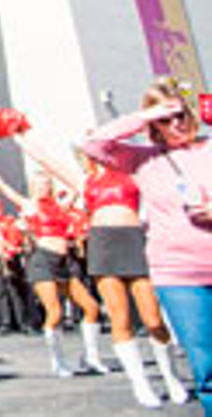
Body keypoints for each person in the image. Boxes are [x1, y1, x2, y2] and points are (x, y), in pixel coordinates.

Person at [16, 125, 190, 406]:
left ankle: (172, 378)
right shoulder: (85, 181)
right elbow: (46, 160)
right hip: (103, 246)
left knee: (153, 318)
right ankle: (140, 384)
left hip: (133, 241)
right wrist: (17, 133)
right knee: (120, 318)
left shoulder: (134, 173)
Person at [83, 78, 212, 413]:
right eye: (166, 120)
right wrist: (146, 115)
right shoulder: (142, 159)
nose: (177, 123)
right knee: (206, 366)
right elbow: (96, 144)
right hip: (179, 274)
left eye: (181, 115)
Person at [0, 166, 106, 377]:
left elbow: (77, 184)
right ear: (32, 188)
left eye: (47, 184)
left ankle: (91, 357)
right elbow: (5, 189)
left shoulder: (61, 206)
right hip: (43, 260)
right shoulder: (30, 205)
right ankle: (58, 362)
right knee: (55, 312)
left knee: (91, 307)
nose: (44, 188)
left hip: (64, 261)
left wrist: (88, 166)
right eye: (39, 185)